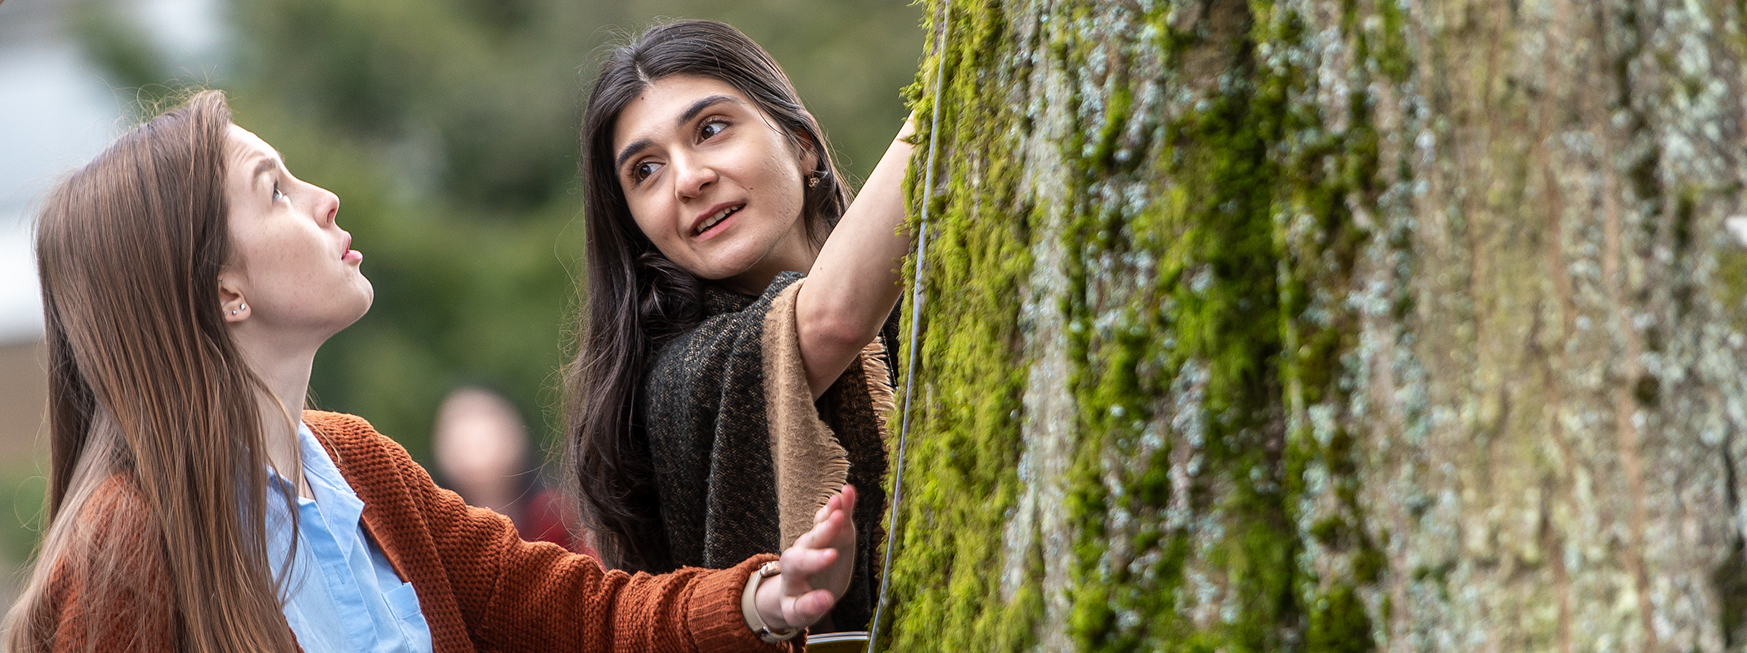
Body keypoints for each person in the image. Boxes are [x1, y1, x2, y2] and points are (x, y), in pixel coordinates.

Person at [2, 89, 855, 652]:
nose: (322, 196)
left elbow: (577, 616)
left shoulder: (360, 466)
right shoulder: (127, 546)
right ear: (222, 288)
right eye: (274, 190)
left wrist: (765, 597)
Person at [566, 19, 914, 632]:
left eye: (712, 129)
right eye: (644, 171)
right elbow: (832, 319)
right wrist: (950, 81)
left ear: (801, 144)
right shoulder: (679, 376)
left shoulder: (928, 285)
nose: (688, 179)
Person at [432, 385, 591, 555]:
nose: (475, 440)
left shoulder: (559, 516)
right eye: (459, 424)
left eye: (488, 418)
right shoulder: (432, 528)